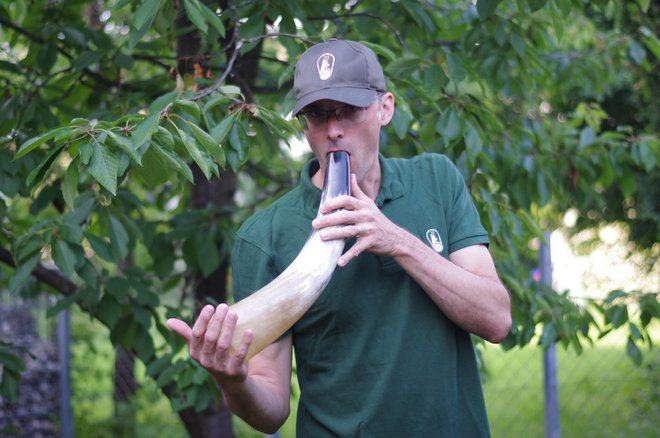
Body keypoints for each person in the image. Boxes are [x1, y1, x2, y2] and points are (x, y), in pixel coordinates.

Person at [167, 39, 512, 437]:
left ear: (385, 108)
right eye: (317, 115)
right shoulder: (266, 236)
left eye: (349, 111)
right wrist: (234, 383)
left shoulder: (436, 180)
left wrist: (396, 240)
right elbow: (272, 409)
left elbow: (496, 319)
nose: (333, 131)